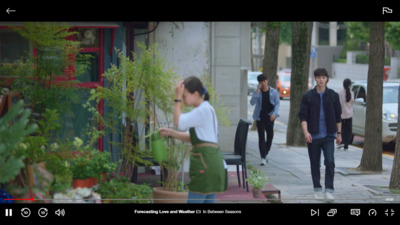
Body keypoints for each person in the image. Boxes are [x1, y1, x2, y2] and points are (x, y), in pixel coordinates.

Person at [159, 76, 227, 203]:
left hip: (205, 165)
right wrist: (171, 132)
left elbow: (178, 122)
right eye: (182, 97)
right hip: (213, 165)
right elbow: (194, 138)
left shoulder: (202, 110)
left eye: (184, 96)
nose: (183, 99)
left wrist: (177, 97)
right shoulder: (208, 109)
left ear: (196, 94)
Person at [298, 68, 342, 201]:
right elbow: (303, 116)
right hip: (313, 136)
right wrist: (306, 132)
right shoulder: (308, 96)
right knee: (315, 163)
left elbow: (338, 116)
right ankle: (317, 189)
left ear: (327, 79)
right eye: (319, 77)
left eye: (323, 77)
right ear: (315, 79)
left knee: (330, 162)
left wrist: (339, 134)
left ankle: (329, 190)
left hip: (329, 135)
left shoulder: (333, 95)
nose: (321, 80)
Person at [250, 74, 280, 166]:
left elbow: (277, 104)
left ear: (267, 81)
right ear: (259, 83)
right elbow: (252, 103)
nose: (263, 83)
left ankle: (266, 152)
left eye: (264, 81)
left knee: (270, 135)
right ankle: (263, 157)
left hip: (270, 117)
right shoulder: (258, 92)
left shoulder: (273, 92)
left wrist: (274, 114)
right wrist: (257, 92)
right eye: (261, 82)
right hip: (260, 117)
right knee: (261, 137)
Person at [338, 78, 354, 150]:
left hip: (342, 114)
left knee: (342, 129)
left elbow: (339, 103)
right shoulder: (352, 93)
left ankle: (342, 141)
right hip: (349, 114)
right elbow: (352, 102)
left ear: (343, 85)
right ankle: (346, 144)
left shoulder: (341, 93)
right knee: (348, 130)